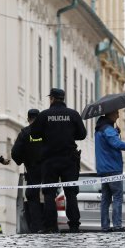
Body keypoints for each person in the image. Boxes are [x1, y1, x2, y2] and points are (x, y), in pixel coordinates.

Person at [30, 88, 87, 233]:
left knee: (49, 193)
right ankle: (74, 225)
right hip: (69, 160)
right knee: (71, 193)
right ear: (63, 98)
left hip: (49, 160)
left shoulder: (44, 115)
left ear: (52, 99)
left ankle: (50, 226)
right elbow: (82, 134)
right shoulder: (73, 114)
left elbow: (34, 133)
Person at [94, 110, 125, 232]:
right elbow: (116, 143)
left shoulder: (100, 129)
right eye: (115, 113)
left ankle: (105, 226)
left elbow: (108, 143)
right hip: (113, 168)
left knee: (105, 198)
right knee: (117, 197)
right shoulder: (108, 129)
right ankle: (117, 225)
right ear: (109, 114)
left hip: (103, 169)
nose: (118, 115)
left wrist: (116, 132)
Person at [11, 109, 45, 233]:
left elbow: (15, 153)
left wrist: (22, 160)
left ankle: (36, 227)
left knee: (32, 196)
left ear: (28, 119)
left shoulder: (25, 133)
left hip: (32, 169)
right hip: (47, 168)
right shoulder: (46, 131)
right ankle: (50, 225)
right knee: (50, 194)